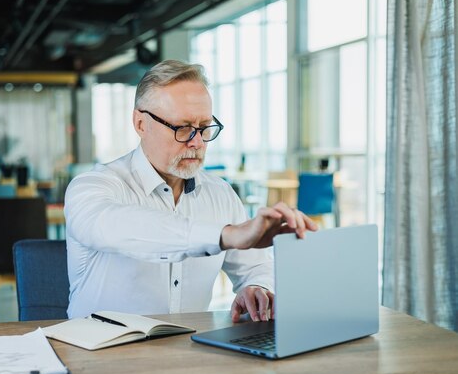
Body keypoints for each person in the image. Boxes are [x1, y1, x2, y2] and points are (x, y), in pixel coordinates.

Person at [65, 59, 317, 321]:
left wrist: (257, 287)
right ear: (140, 124)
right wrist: (226, 235)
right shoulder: (92, 187)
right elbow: (126, 227)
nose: (197, 142)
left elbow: (255, 266)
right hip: (97, 354)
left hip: (189, 351)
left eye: (204, 127)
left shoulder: (220, 194)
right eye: (183, 128)